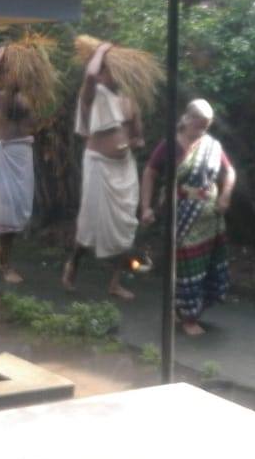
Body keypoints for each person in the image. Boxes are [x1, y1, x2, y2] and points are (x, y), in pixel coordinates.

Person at [140, 99, 235, 337]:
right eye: (199, 123)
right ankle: (188, 318)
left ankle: (187, 311)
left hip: (210, 217)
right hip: (180, 216)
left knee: (206, 267)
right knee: (186, 268)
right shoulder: (169, 146)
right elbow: (150, 173)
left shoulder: (211, 146)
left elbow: (229, 171)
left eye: (206, 125)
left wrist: (225, 195)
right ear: (188, 119)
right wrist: (146, 207)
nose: (202, 129)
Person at [63, 41, 145, 300]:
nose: (105, 75)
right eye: (105, 70)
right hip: (98, 164)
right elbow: (89, 74)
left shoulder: (130, 100)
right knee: (89, 221)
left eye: (108, 71)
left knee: (125, 225)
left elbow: (138, 137)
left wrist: (132, 142)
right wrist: (101, 50)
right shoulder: (93, 95)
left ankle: (115, 282)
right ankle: (73, 264)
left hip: (124, 169)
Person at [0, 44, 44, 284]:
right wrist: (1, 54)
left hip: (23, 157)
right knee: (7, 212)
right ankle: (4, 266)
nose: (16, 76)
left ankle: (1, 252)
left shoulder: (27, 100)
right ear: (5, 75)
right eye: (12, 71)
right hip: (5, 159)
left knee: (18, 211)